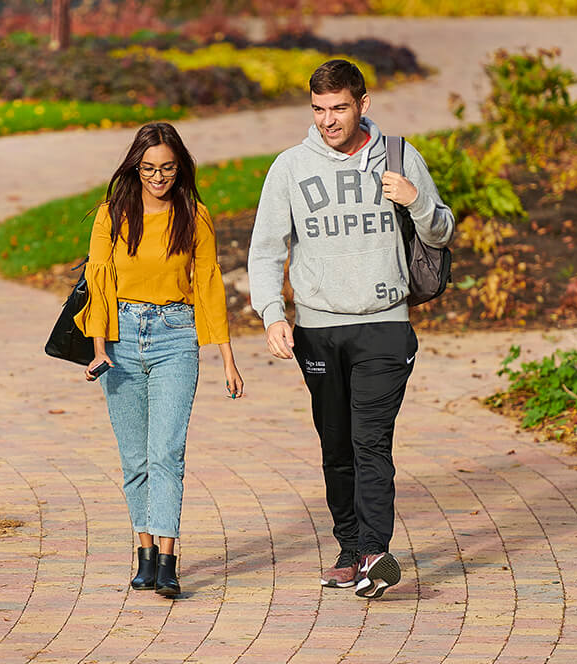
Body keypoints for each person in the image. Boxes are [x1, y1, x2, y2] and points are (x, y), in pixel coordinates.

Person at [247, 59, 455, 598]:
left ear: (364, 104)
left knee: (370, 441)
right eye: (318, 110)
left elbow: (442, 229)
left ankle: (374, 553)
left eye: (339, 108)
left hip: (384, 324)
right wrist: (273, 314)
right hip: (317, 328)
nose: (328, 121)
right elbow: (266, 249)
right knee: (335, 442)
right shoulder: (290, 167)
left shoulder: (400, 158)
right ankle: (348, 548)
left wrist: (417, 201)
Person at [77, 121, 245, 598]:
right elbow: (99, 281)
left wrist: (227, 359)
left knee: (166, 454)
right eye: (149, 168)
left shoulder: (195, 215)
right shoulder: (113, 214)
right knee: (135, 458)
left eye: (168, 168)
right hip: (121, 339)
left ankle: (169, 560)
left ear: (180, 167)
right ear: (136, 165)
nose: (158, 177)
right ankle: (144, 554)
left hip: (175, 336)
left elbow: (209, 284)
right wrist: (98, 350)